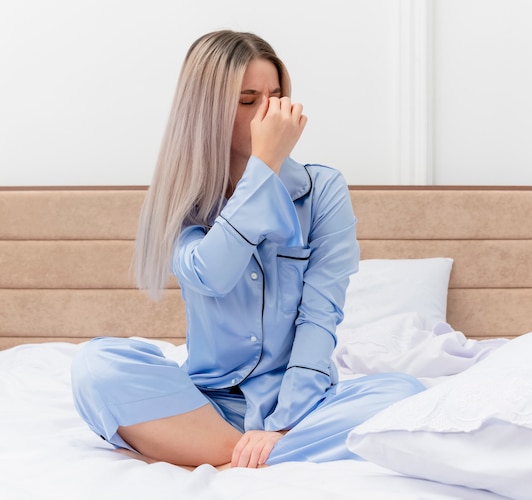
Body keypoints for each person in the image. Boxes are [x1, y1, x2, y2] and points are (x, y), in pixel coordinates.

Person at [71, 29, 425, 469]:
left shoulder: (323, 189)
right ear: (207, 111)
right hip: (206, 403)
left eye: (276, 97)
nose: (270, 114)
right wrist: (264, 167)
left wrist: (280, 426)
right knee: (95, 366)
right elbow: (211, 275)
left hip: (302, 407)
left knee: (406, 394)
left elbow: (320, 314)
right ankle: (238, 449)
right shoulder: (183, 202)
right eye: (248, 100)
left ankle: (224, 451)